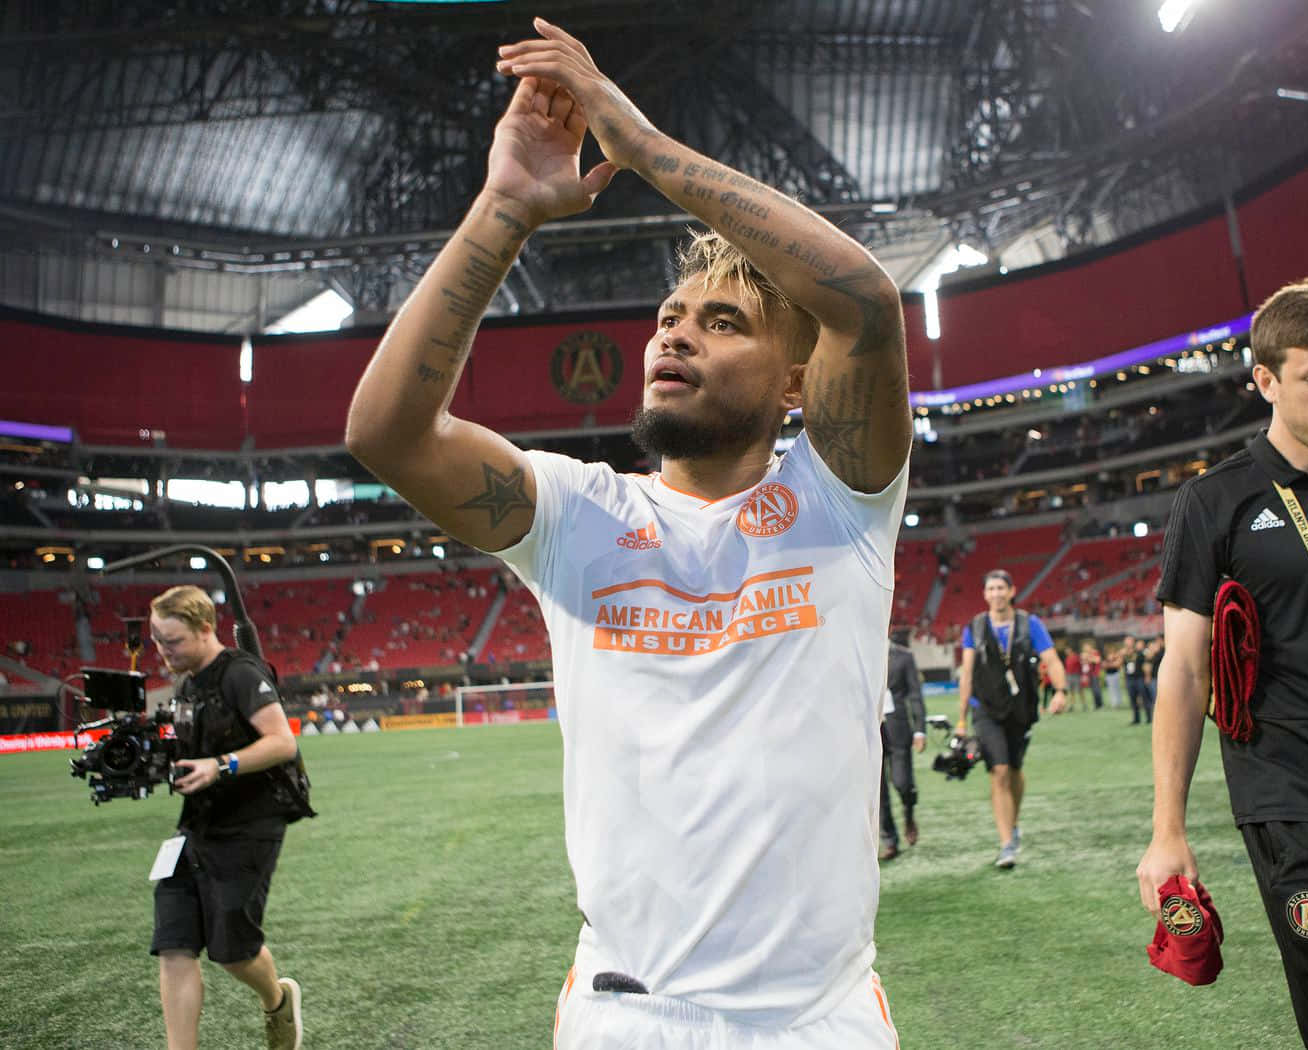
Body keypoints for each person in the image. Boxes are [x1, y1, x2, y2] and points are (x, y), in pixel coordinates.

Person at [345, 18, 911, 1048]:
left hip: (816, 1022)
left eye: (723, 321)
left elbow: (865, 306)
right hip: (622, 1016)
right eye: (666, 318)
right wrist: (504, 207)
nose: (675, 332)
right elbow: (383, 431)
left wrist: (640, 148)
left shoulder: (842, 501)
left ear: (795, 382)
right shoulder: (575, 513)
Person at [1137, 280, 1308, 1049]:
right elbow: (1184, 673)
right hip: (1296, 806)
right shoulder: (1214, 504)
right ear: (1266, 380)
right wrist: (1168, 831)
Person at [147, 585, 309, 1050]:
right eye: (157, 640)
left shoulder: (240, 672)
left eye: (172, 641)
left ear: (204, 629)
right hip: (194, 826)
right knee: (173, 944)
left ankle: (277, 1001)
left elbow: (282, 741)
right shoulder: (185, 685)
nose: (163, 651)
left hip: (250, 824)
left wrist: (221, 766)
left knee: (233, 953)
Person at [956, 569, 1068, 868]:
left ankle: (1013, 823)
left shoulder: (1030, 624)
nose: (996, 593)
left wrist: (1061, 690)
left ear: (1011, 591)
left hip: (1020, 710)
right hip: (986, 709)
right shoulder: (975, 627)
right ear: (984, 594)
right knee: (1000, 770)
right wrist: (961, 719)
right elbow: (966, 674)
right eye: (990, 588)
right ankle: (1006, 844)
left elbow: (1051, 659)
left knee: (1016, 769)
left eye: (1000, 588)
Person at [879, 628, 926, 861]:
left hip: (898, 728)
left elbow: (915, 695)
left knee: (902, 782)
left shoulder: (904, 657)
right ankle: (889, 841)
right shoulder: (856, 653)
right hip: (870, 731)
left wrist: (920, 730)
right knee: (877, 791)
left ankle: (909, 813)